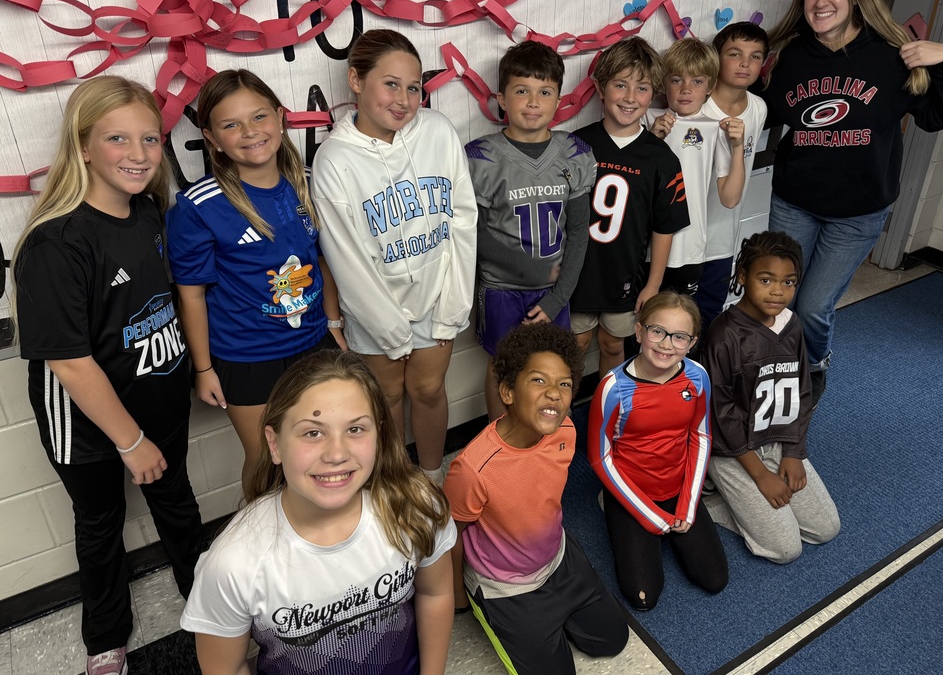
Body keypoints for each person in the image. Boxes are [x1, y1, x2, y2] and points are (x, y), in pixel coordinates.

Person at [12, 75, 203, 675]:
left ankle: (207, 599)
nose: (139, 154)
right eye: (118, 138)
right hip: (90, 425)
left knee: (177, 504)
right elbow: (70, 362)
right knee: (99, 526)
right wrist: (130, 440)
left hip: (158, 398)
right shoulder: (56, 243)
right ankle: (105, 639)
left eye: (150, 138)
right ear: (83, 146)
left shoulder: (150, 213)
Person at [760, 0, 943, 406]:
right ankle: (775, 370)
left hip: (857, 213)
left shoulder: (890, 57)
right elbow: (760, 110)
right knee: (779, 300)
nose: (822, 0)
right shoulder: (792, 57)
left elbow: (940, 116)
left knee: (813, 306)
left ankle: (813, 365)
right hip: (794, 201)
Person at [181, 349, 456, 675]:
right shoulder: (233, 564)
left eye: (355, 429)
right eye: (313, 432)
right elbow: (225, 668)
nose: (336, 454)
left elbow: (435, 593)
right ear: (275, 444)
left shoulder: (416, 507)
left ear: (380, 435)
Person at [166, 70, 345, 492]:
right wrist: (203, 368)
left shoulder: (305, 182)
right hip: (246, 357)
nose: (250, 132)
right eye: (231, 124)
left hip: (313, 342)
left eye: (259, 117)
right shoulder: (199, 206)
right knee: (267, 462)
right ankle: (262, 532)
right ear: (211, 138)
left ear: (280, 118)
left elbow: (322, 261)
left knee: (322, 451)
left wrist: (333, 325)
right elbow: (191, 296)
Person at [312, 29, 478, 484]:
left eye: (413, 87)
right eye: (391, 84)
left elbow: (463, 222)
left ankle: (432, 480)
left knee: (429, 391)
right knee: (383, 401)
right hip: (375, 310)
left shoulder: (438, 132)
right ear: (356, 80)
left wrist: (454, 303)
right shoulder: (334, 160)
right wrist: (389, 329)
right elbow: (345, 259)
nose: (404, 100)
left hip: (438, 297)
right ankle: (395, 486)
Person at [445, 323, 628, 675]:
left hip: (558, 558)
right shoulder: (472, 468)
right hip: (505, 585)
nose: (554, 394)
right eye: (539, 380)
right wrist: (456, 594)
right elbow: (450, 534)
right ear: (508, 392)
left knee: (612, 640)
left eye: (564, 384)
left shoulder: (566, 431)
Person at [467, 41, 596, 419]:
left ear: (559, 100)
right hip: (502, 290)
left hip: (553, 290)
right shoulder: (481, 157)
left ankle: (545, 440)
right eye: (522, 91)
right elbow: (475, 234)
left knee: (552, 368)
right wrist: (526, 269)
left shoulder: (573, 153)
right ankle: (499, 439)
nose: (533, 102)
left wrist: (557, 298)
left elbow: (579, 232)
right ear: (501, 99)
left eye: (545, 92)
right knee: (502, 368)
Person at [704, 231, 840, 564]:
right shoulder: (724, 335)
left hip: (776, 438)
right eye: (766, 280)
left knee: (826, 529)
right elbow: (721, 413)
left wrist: (793, 453)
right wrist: (761, 475)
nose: (778, 291)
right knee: (785, 549)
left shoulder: (792, 325)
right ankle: (707, 499)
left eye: (788, 282)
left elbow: (802, 392)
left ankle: (752, 504)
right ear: (743, 276)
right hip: (733, 450)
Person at [588, 292, 728, 610]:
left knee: (714, 579)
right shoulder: (612, 387)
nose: (667, 344)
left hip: (676, 487)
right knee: (643, 598)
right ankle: (610, 503)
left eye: (679, 337)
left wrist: (688, 506)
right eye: (658, 332)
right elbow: (599, 457)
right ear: (639, 332)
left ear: (692, 343)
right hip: (631, 490)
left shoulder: (697, 376)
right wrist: (650, 517)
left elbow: (701, 437)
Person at [570, 37, 690, 377]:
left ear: (653, 94)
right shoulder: (576, 145)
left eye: (642, 88)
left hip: (625, 274)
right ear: (600, 88)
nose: (630, 97)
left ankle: (608, 402)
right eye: (620, 85)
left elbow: (664, 226)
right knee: (574, 346)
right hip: (578, 272)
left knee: (613, 344)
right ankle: (564, 406)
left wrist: (653, 285)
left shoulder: (661, 158)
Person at [646, 38, 746, 298]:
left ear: (710, 86)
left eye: (697, 81)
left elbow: (730, 198)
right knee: (641, 315)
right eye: (677, 80)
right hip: (645, 244)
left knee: (679, 315)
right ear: (664, 83)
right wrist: (651, 140)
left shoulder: (716, 128)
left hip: (689, 246)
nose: (686, 89)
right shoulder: (647, 118)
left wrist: (738, 147)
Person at [696, 22, 769, 332]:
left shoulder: (758, 108)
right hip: (685, 235)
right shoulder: (696, 106)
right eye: (735, 54)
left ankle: (701, 363)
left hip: (724, 237)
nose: (745, 64)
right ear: (717, 58)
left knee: (709, 310)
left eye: (755, 56)